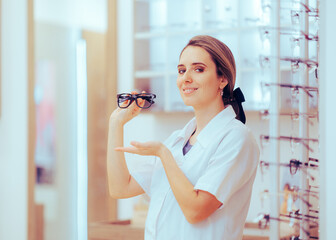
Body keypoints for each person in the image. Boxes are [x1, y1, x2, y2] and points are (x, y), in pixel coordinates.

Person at [107, 35, 260, 240]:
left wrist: (163, 154)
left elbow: (195, 211)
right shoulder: (176, 140)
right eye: (181, 70)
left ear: (222, 79)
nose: (186, 78)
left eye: (198, 69)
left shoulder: (237, 138)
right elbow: (120, 188)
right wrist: (116, 123)